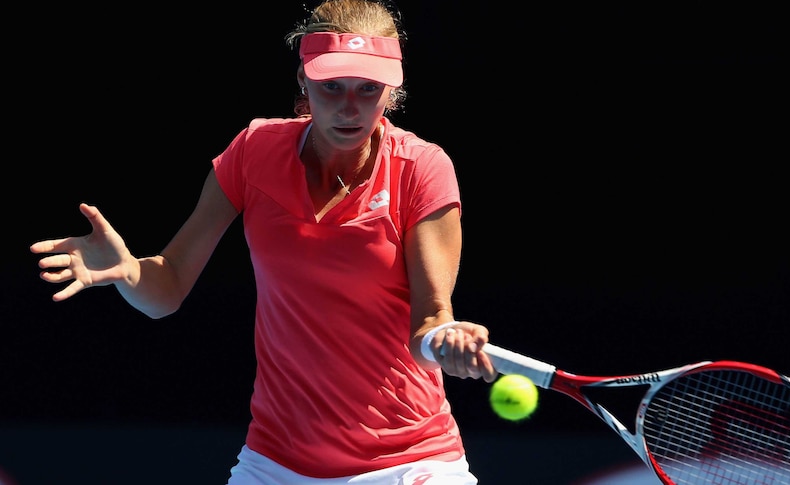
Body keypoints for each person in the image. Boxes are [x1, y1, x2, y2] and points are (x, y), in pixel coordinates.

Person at [29, 0, 497, 484]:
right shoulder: (254, 151)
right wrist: (129, 270)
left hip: (409, 459)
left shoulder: (423, 169)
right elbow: (165, 290)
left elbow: (429, 323)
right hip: (277, 462)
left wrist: (447, 342)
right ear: (303, 81)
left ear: (391, 93)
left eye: (368, 89)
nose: (349, 107)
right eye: (331, 86)